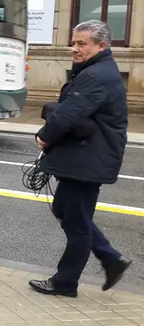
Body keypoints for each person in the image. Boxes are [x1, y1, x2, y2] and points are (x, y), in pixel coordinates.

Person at [30, 20, 131, 297]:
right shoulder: (96, 70)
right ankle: (111, 258)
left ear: (101, 45)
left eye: (81, 44)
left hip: (87, 158)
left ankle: (65, 282)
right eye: (73, 42)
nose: (74, 48)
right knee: (66, 209)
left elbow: (70, 113)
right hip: (87, 155)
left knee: (77, 222)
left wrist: (45, 135)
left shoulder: (96, 75)